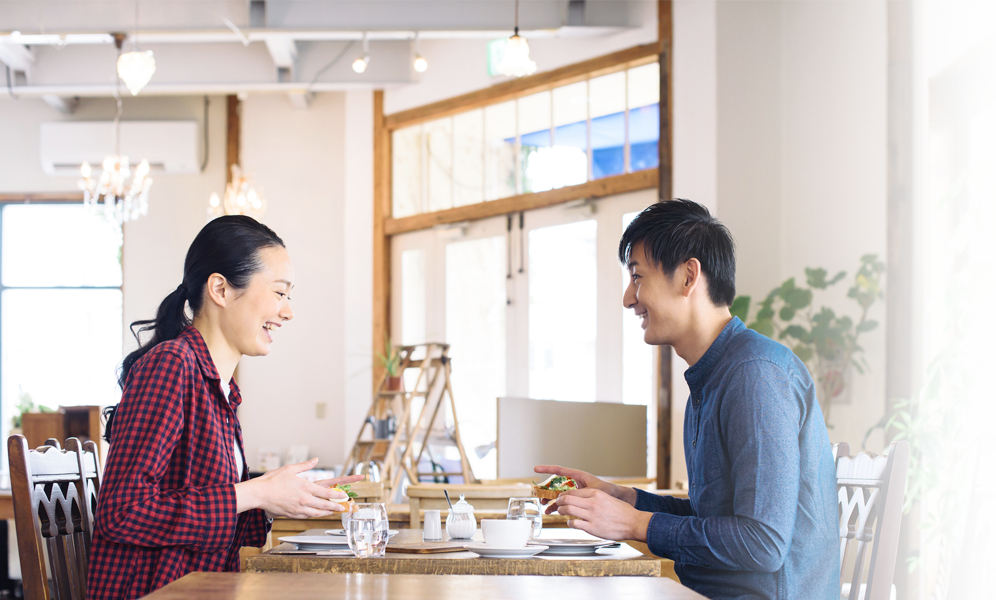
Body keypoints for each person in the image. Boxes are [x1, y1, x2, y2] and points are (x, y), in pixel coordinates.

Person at [536, 200, 838, 600]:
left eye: (637, 277)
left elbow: (762, 544)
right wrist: (624, 499)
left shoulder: (756, 374)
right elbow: (713, 520)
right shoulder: (713, 377)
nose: (629, 298)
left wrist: (634, 524)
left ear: (687, 277)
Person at [88, 216, 362, 599]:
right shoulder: (172, 366)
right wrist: (254, 493)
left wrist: (281, 498)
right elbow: (122, 511)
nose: (288, 312)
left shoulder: (218, 388)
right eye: (279, 293)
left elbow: (215, 519)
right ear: (220, 289)